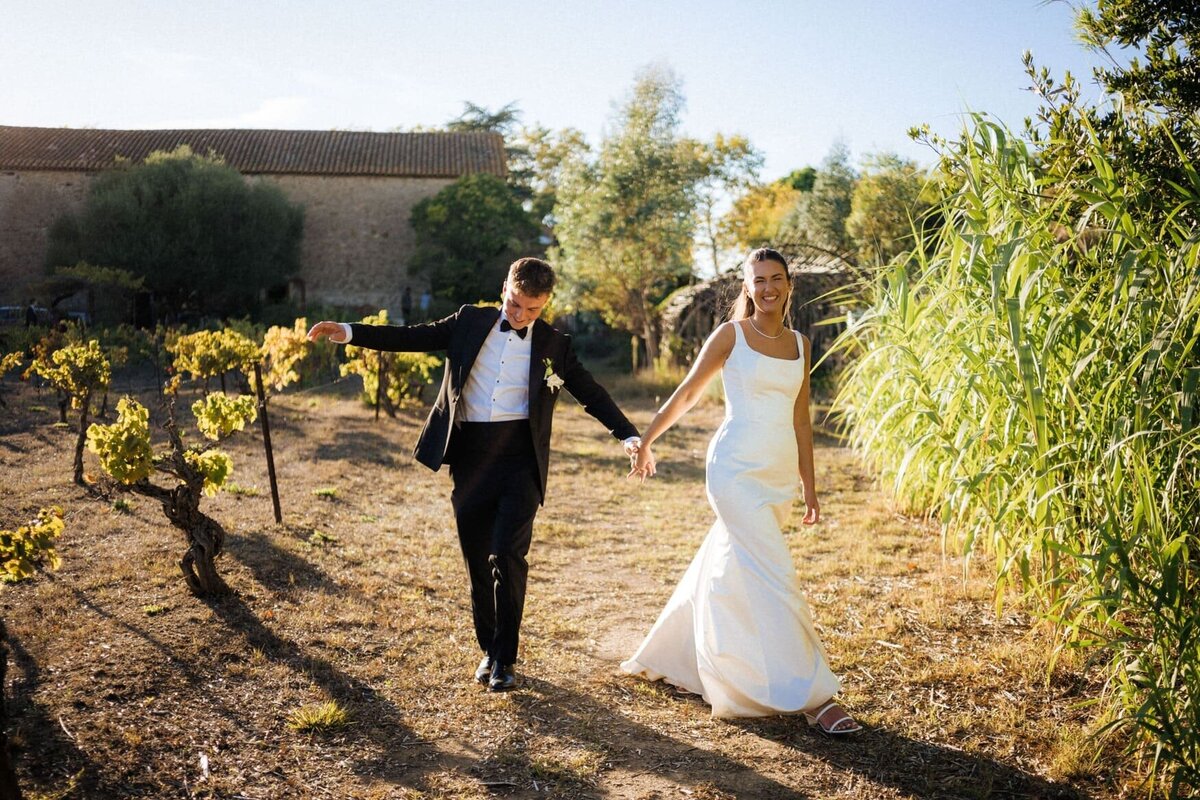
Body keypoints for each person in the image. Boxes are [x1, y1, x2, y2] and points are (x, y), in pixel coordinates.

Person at [308, 257, 641, 692]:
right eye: (515, 303)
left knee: (507, 555)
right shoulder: (470, 321)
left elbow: (590, 392)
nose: (520, 315)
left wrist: (628, 435)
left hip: (521, 460)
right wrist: (350, 332)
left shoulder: (554, 344)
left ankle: (505, 659)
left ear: (545, 305)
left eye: (532, 310)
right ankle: (489, 648)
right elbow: (411, 337)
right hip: (470, 458)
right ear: (504, 286)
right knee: (478, 561)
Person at [623, 247, 860, 734]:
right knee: (777, 576)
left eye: (776, 278)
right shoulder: (731, 335)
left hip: (775, 478)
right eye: (759, 280)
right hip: (732, 471)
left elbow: (801, 421)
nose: (768, 287)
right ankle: (816, 697)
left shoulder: (800, 343)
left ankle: (674, 655)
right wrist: (647, 439)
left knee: (734, 565)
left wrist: (809, 488)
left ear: (788, 285)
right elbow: (689, 391)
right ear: (747, 288)